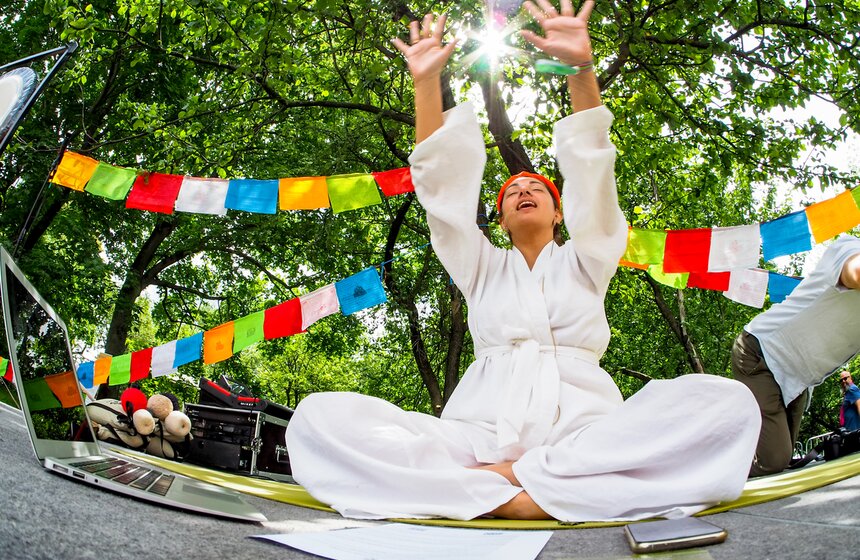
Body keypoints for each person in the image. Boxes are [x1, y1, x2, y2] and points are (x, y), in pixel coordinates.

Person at [286, 0, 760, 522]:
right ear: (502, 220)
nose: (526, 190)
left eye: (539, 188)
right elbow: (442, 197)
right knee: (316, 419)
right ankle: (538, 495)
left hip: (586, 438)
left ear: (560, 215)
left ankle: (489, 492)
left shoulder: (588, 258)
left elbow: (593, 180)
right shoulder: (480, 267)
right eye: (515, 191)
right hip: (476, 441)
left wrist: (581, 68)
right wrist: (427, 84)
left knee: (728, 404)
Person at [732, 235, 860, 476]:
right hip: (761, 352)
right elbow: (855, 273)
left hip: (796, 378)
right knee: (773, 460)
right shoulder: (850, 248)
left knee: (782, 454)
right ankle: (699, 467)